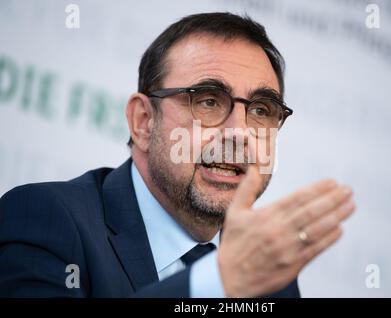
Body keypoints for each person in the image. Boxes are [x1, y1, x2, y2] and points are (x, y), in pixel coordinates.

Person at [0, 12, 355, 297]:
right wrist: (218, 283)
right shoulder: (45, 220)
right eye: (208, 101)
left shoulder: (269, 276)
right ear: (143, 121)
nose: (239, 133)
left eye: (261, 110)